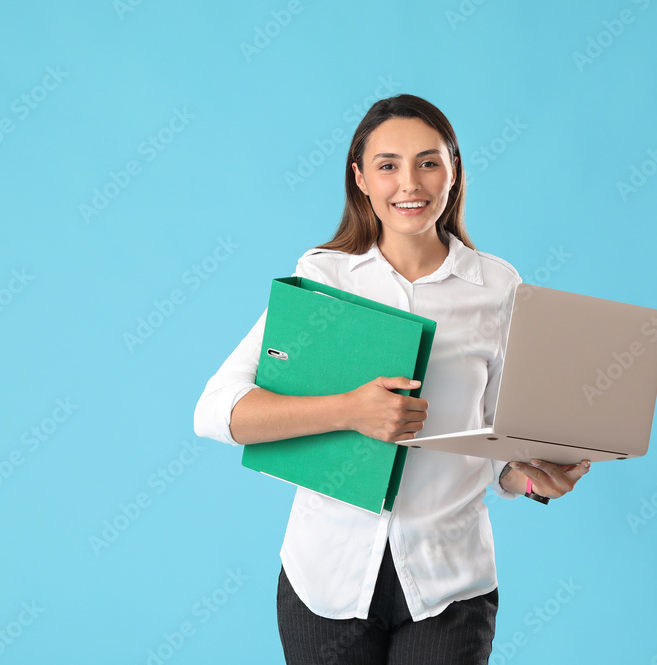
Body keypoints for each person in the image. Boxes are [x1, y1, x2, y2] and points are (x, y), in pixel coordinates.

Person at [193, 94, 590, 664]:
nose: (411, 183)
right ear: (359, 178)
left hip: (450, 584)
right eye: (388, 165)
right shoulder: (322, 278)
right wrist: (349, 410)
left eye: (429, 162)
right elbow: (216, 412)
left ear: (454, 173)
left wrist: (531, 479)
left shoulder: (498, 289)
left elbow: (498, 443)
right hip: (325, 580)